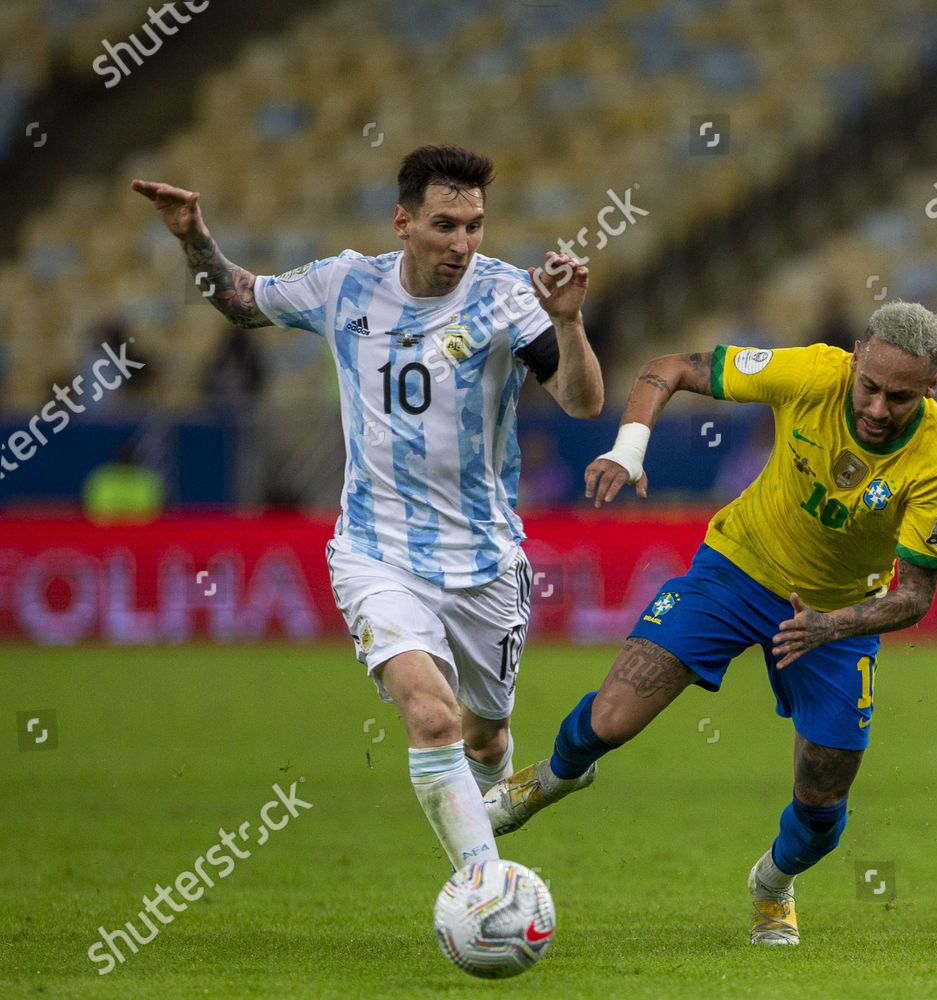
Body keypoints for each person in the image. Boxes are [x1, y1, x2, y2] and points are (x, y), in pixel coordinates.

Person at [132, 144, 604, 873]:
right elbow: (238, 299)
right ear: (402, 222)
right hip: (375, 552)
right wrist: (195, 235)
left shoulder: (510, 295)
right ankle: (484, 890)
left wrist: (570, 325)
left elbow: (581, 402)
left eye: (475, 226)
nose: (463, 244)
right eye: (445, 225)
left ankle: (489, 814)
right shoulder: (343, 285)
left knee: (483, 738)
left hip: (484, 560)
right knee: (430, 714)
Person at [484, 301, 937, 946]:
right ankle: (551, 776)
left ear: (932, 388)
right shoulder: (808, 373)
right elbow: (669, 369)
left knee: (823, 802)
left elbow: (914, 596)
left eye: (901, 398)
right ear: (855, 359)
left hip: (833, 613)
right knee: (612, 718)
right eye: (870, 387)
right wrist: (630, 450)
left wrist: (828, 626)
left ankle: (771, 884)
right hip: (736, 568)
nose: (879, 409)